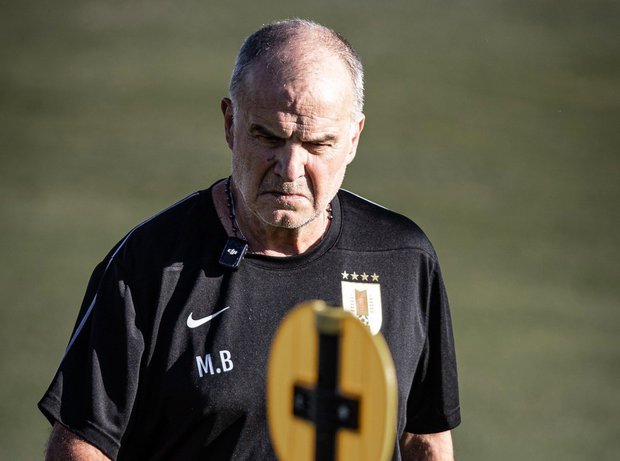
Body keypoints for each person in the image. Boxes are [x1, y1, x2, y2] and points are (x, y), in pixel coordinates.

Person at [39, 19, 460, 460]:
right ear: (230, 122)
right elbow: (81, 446)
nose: (290, 168)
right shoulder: (148, 267)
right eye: (268, 137)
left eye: (318, 144)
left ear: (353, 139)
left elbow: (425, 437)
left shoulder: (403, 257)